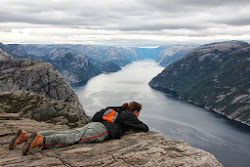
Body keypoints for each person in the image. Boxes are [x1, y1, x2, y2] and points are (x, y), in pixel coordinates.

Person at [9, 101, 149, 155]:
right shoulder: (129, 116)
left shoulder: (114, 109)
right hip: (101, 131)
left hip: (93, 125)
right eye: (138, 113)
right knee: (74, 138)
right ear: (135, 111)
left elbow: (95, 116)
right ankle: (42, 140)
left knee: (67, 132)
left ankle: (26, 136)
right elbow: (144, 128)